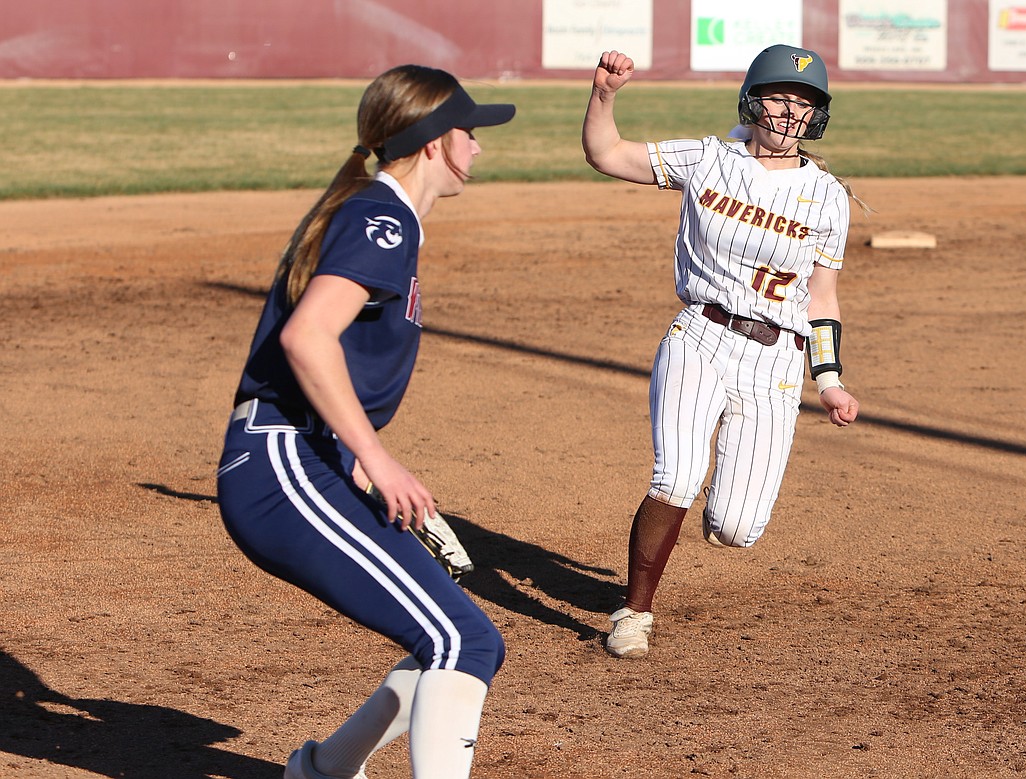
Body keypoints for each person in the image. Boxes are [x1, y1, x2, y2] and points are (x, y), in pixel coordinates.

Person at [216, 65, 515, 778]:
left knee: (468, 641)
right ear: (436, 142)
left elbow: (323, 353)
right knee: (461, 641)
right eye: (469, 131)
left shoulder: (379, 218)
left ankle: (319, 770)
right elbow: (307, 336)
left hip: (303, 454)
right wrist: (374, 454)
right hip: (278, 466)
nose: (477, 145)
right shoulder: (380, 222)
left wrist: (351, 456)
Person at [582, 46, 864, 658]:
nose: (791, 112)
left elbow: (823, 298)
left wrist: (831, 377)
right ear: (752, 99)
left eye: (805, 102)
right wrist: (605, 94)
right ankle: (634, 613)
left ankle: (724, 494)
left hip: (778, 361)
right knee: (675, 477)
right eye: (780, 96)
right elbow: (606, 154)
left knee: (737, 528)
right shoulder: (709, 159)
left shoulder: (828, 197)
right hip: (701, 337)